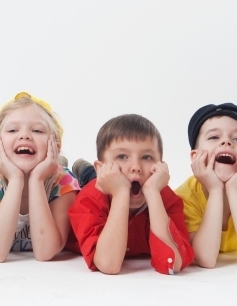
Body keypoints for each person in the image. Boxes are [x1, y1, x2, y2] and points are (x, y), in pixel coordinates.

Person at [67, 114, 194, 275]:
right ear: (101, 167)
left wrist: (152, 192)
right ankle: (86, 172)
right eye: (122, 156)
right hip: (100, 183)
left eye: (146, 157)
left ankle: (87, 171)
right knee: (93, 180)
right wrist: (120, 192)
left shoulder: (166, 199)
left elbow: (173, 264)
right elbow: (108, 264)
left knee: (121, 178)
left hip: (120, 180)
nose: (136, 166)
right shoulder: (88, 200)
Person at [0, 92, 79, 262]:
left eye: (37, 130)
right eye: (13, 130)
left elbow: (45, 252)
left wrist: (37, 179)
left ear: (55, 147)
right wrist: (15, 179)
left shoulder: (64, 182)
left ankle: (81, 167)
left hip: (54, 172)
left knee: (87, 180)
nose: (24, 136)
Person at [175, 103, 237, 268]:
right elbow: (206, 258)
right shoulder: (183, 198)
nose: (227, 142)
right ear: (196, 157)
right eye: (214, 137)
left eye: (236, 138)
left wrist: (233, 189)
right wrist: (216, 190)